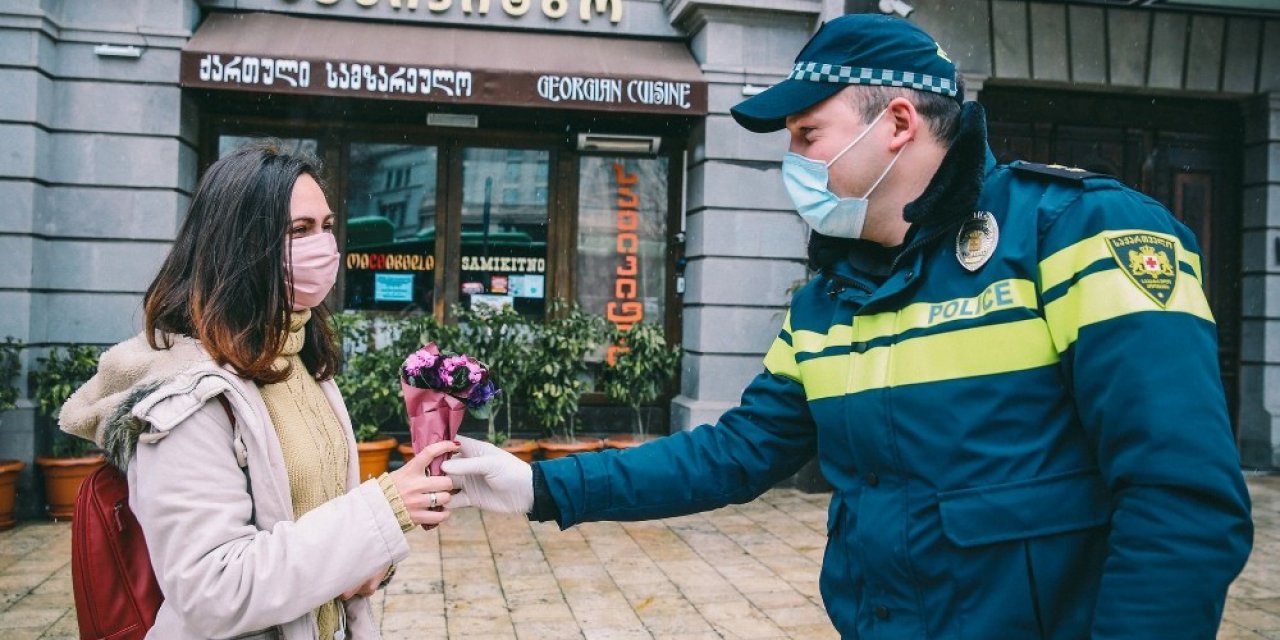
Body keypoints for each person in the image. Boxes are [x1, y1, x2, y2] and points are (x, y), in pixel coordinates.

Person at [442, 14, 1254, 639]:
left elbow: (1181, 501)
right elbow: (734, 454)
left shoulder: (1081, 235)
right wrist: (541, 484)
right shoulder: (829, 299)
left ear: (896, 123)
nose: (792, 162)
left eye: (806, 136)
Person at [60, 140, 459, 640]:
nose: (325, 246)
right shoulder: (187, 398)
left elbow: (316, 527)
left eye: (328, 226)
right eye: (300, 230)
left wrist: (369, 559)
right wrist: (383, 508)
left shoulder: (298, 363)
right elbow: (214, 589)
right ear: (243, 244)